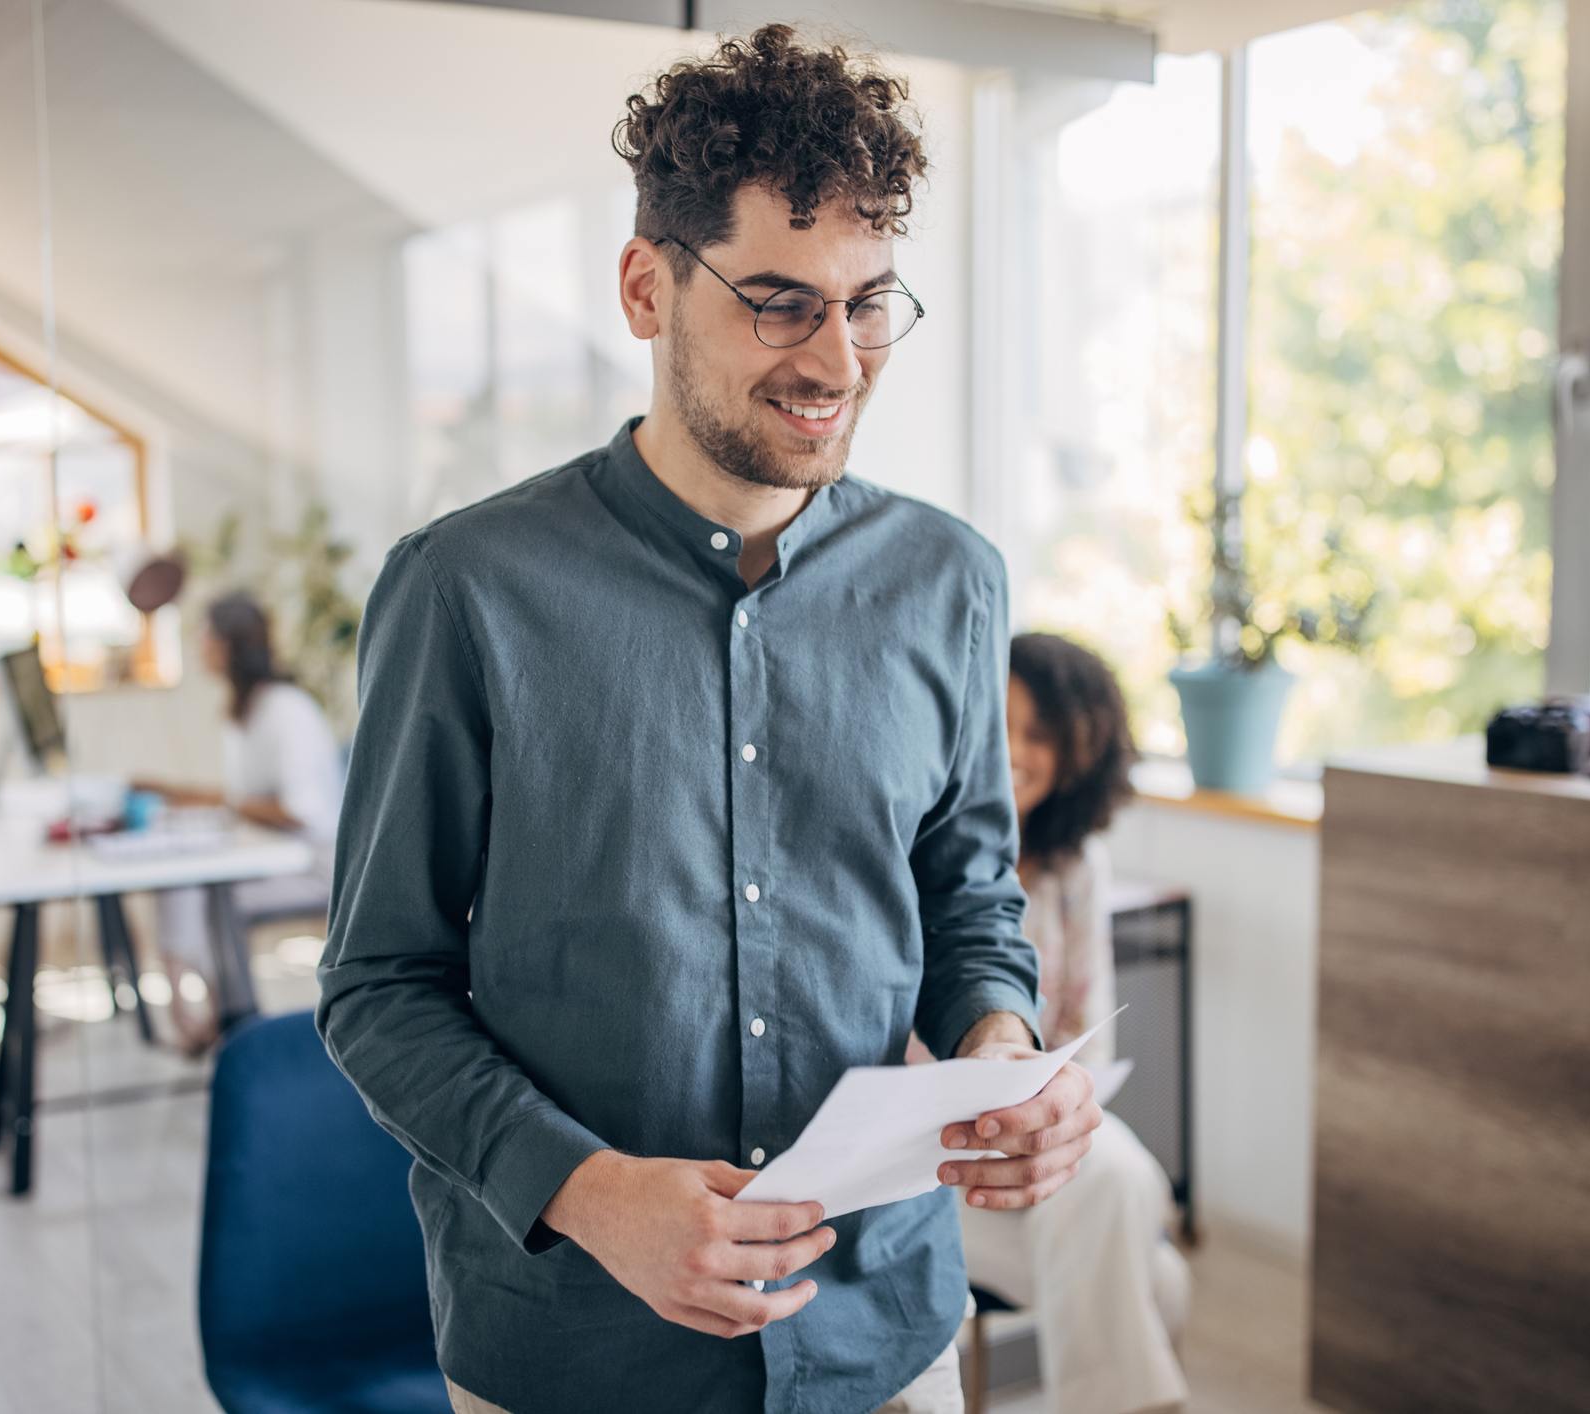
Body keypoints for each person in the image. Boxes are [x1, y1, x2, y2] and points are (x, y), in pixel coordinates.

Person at [316, 27, 1101, 1414]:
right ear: (645, 285)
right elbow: (379, 990)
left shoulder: (952, 580)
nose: (838, 362)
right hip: (575, 1353)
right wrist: (593, 1190)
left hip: (887, 1336)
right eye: (779, 301)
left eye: (868, 303)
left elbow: (967, 899)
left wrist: (996, 1046)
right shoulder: (463, 590)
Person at [958, 632, 1191, 1414]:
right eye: (1002, 724)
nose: (1014, 752)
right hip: (947, 1160)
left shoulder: (1075, 867)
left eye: (1040, 735)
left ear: (1078, 752)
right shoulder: (928, 858)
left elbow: (1091, 1045)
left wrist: (1041, 1117)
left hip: (1050, 1146)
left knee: (1124, 1217)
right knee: (1155, 1273)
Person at [134, 591, 342, 1055]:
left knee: (213, 892)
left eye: (205, 636)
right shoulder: (241, 712)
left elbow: (300, 811)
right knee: (179, 877)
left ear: (230, 645)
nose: (198, 646)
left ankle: (232, 1019)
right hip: (271, 854)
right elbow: (244, 800)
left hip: (313, 864)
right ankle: (193, 1008)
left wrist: (217, 802)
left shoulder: (286, 710)